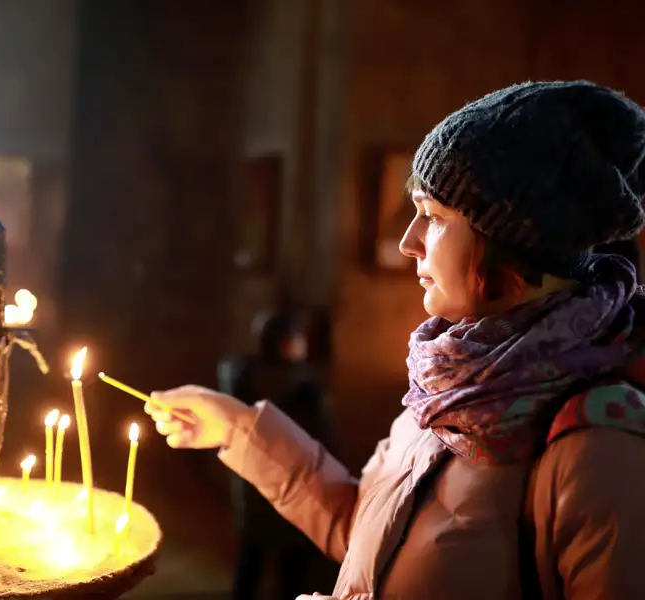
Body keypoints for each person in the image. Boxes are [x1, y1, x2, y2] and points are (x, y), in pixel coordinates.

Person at [143, 81, 645, 599]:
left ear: (513, 241)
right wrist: (239, 429)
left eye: (432, 217)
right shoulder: (452, 380)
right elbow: (368, 533)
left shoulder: (600, 450)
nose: (407, 243)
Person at [218, 310, 339, 600]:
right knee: (258, 562)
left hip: (287, 485)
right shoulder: (259, 378)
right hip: (271, 484)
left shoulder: (291, 380)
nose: (299, 345)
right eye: (294, 339)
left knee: (281, 566)